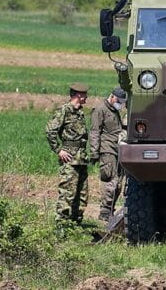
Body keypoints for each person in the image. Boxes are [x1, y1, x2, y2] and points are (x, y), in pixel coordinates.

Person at [45, 82, 90, 226]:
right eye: (84, 95)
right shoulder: (64, 110)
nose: (86, 97)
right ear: (78, 95)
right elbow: (50, 130)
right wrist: (59, 150)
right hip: (69, 159)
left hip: (81, 158)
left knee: (82, 194)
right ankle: (62, 225)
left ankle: (76, 223)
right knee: (67, 193)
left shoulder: (79, 112)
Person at [89, 86, 127, 222]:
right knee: (109, 181)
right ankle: (105, 211)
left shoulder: (115, 110)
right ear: (112, 97)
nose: (120, 104)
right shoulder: (100, 109)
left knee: (118, 184)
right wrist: (94, 152)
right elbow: (94, 132)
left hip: (117, 150)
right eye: (119, 101)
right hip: (107, 150)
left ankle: (110, 210)